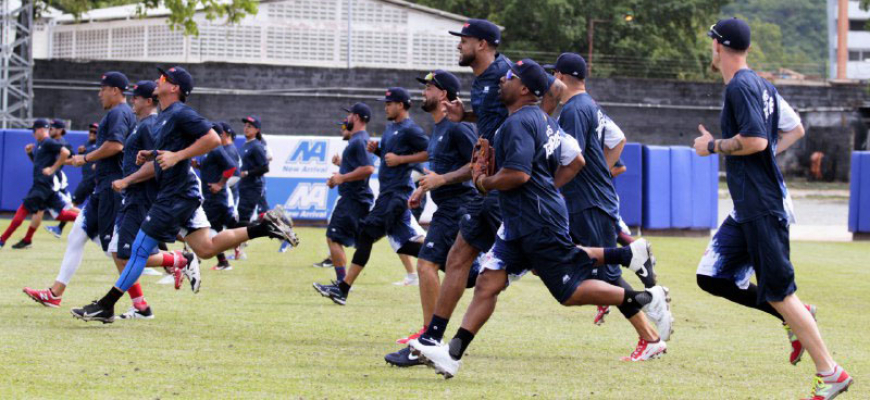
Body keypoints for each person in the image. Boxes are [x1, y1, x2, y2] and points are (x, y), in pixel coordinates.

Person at [410, 59, 671, 379]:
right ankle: (452, 354)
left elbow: (518, 174)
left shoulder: (518, 124)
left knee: (570, 291)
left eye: (509, 77)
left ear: (523, 89)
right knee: (487, 285)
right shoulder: (543, 120)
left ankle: (647, 296)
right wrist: (549, 184)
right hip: (519, 219)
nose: (502, 80)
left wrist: (484, 181)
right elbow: (574, 159)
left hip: (536, 219)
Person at [692, 18, 852, 399]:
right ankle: (796, 316)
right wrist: (760, 159)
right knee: (712, 277)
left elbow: (757, 141)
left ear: (719, 46)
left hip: (762, 204)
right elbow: (793, 129)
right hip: (750, 203)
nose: (710, 48)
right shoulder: (760, 84)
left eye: (712, 42)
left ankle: (830, 373)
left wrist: (712, 147)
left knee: (779, 290)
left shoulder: (741, 87)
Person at [70, 66, 298, 323]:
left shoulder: (180, 112)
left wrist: (177, 156)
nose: (159, 80)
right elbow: (172, 151)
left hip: (175, 194)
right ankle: (265, 227)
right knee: (206, 248)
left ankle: (107, 306)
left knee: (138, 251)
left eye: (164, 78)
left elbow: (212, 139)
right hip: (183, 192)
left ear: (174, 88)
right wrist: (154, 155)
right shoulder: (165, 116)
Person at [21, 72, 184, 308]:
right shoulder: (126, 115)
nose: (99, 94)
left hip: (112, 188)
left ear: (114, 90)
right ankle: (56, 293)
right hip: (105, 187)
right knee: (78, 236)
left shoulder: (119, 113)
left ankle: (172, 262)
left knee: (117, 250)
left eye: (103, 89)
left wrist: (86, 157)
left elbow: (116, 145)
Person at [548, 52, 668, 361]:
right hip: (592, 198)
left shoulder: (574, 110)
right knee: (593, 268)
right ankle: (636, 266)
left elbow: (570, 157)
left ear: (559, 77)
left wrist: (558, 183)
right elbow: (618, 140)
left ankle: (651, 326)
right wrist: (600, 170)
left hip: (588, 202)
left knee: (607, 275)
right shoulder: (589, 105)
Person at [312, 87, 428, 305]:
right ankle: (449, 260)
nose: (385, 107)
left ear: (401, 105)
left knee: (366, 234)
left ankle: (343, 288)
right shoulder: (391, 127)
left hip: (396, 194)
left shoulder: (410, 129)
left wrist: (401, 160)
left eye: (389, 103)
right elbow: (389, 157)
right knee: (403, 245)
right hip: (388, 193)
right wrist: (378, 151)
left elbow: (431, 151)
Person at [0, 119, 76, 250]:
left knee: (23, 209)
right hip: (46, 186)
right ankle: (90, 218)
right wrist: (30, 153)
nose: (33, 134)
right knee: (60, 215)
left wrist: (52, 169)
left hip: (43, 185)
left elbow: (66, 152)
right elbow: (39, 164)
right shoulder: (41, 143)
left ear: (41, 130)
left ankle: (2, 239)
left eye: (34, 131)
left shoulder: (48, 142)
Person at [324, 104, 376, 284]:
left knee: (333, 237)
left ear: (358, 118)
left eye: (350, 115)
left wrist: (342, 177)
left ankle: (342, 284)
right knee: (346, 239)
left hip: (354, 198)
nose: (347, 119)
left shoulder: (359, 140)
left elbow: (369, 168)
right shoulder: (357, 140)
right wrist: (338, 175)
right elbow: (356, 169)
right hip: (354, 197)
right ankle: (343, 283)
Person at [199, 123, 240, 271]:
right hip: (210, 197)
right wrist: (197, 166)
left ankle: (265, 227)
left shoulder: (217, 149)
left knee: (208, 229)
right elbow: (211, 167)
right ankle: (224, 261)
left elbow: (232, 168)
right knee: (220, 228)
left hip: (217, 198)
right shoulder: (208, 149)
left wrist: (219, 184)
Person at [46, 123, 99, 239]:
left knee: (71, 204)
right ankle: (61, 228)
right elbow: (78, 161)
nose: (92, 133)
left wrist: (59, 161)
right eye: (90, 131)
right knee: (89, 206)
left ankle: (90, 224)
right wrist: (80, 153)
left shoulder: (98, 146)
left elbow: (77, 160)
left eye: (95, 132)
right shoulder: (87, 145)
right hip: (88, 179)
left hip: (90, 180)